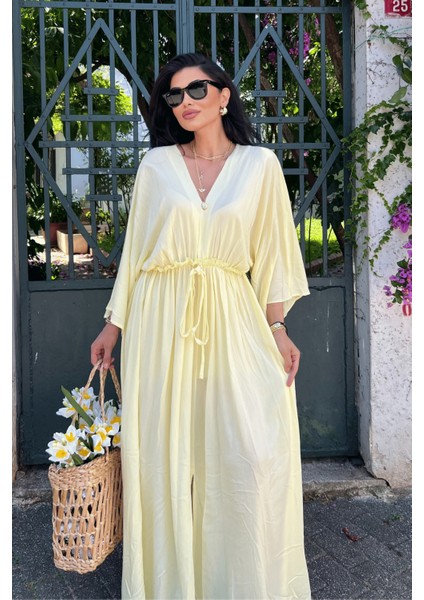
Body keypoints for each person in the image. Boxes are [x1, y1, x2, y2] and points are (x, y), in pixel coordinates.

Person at [91, 52, 311, 600]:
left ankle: (242, 583)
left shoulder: (259, 166)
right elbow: (136, 253)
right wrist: (113, 326)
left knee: (250, 451)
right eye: (174, 95)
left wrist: (278, 327)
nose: (185, 102)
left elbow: (273, 255)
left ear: (223, 96)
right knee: (162, 458)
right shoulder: (157, 167)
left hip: (233, 315)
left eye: (197, 90)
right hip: (160, 317)